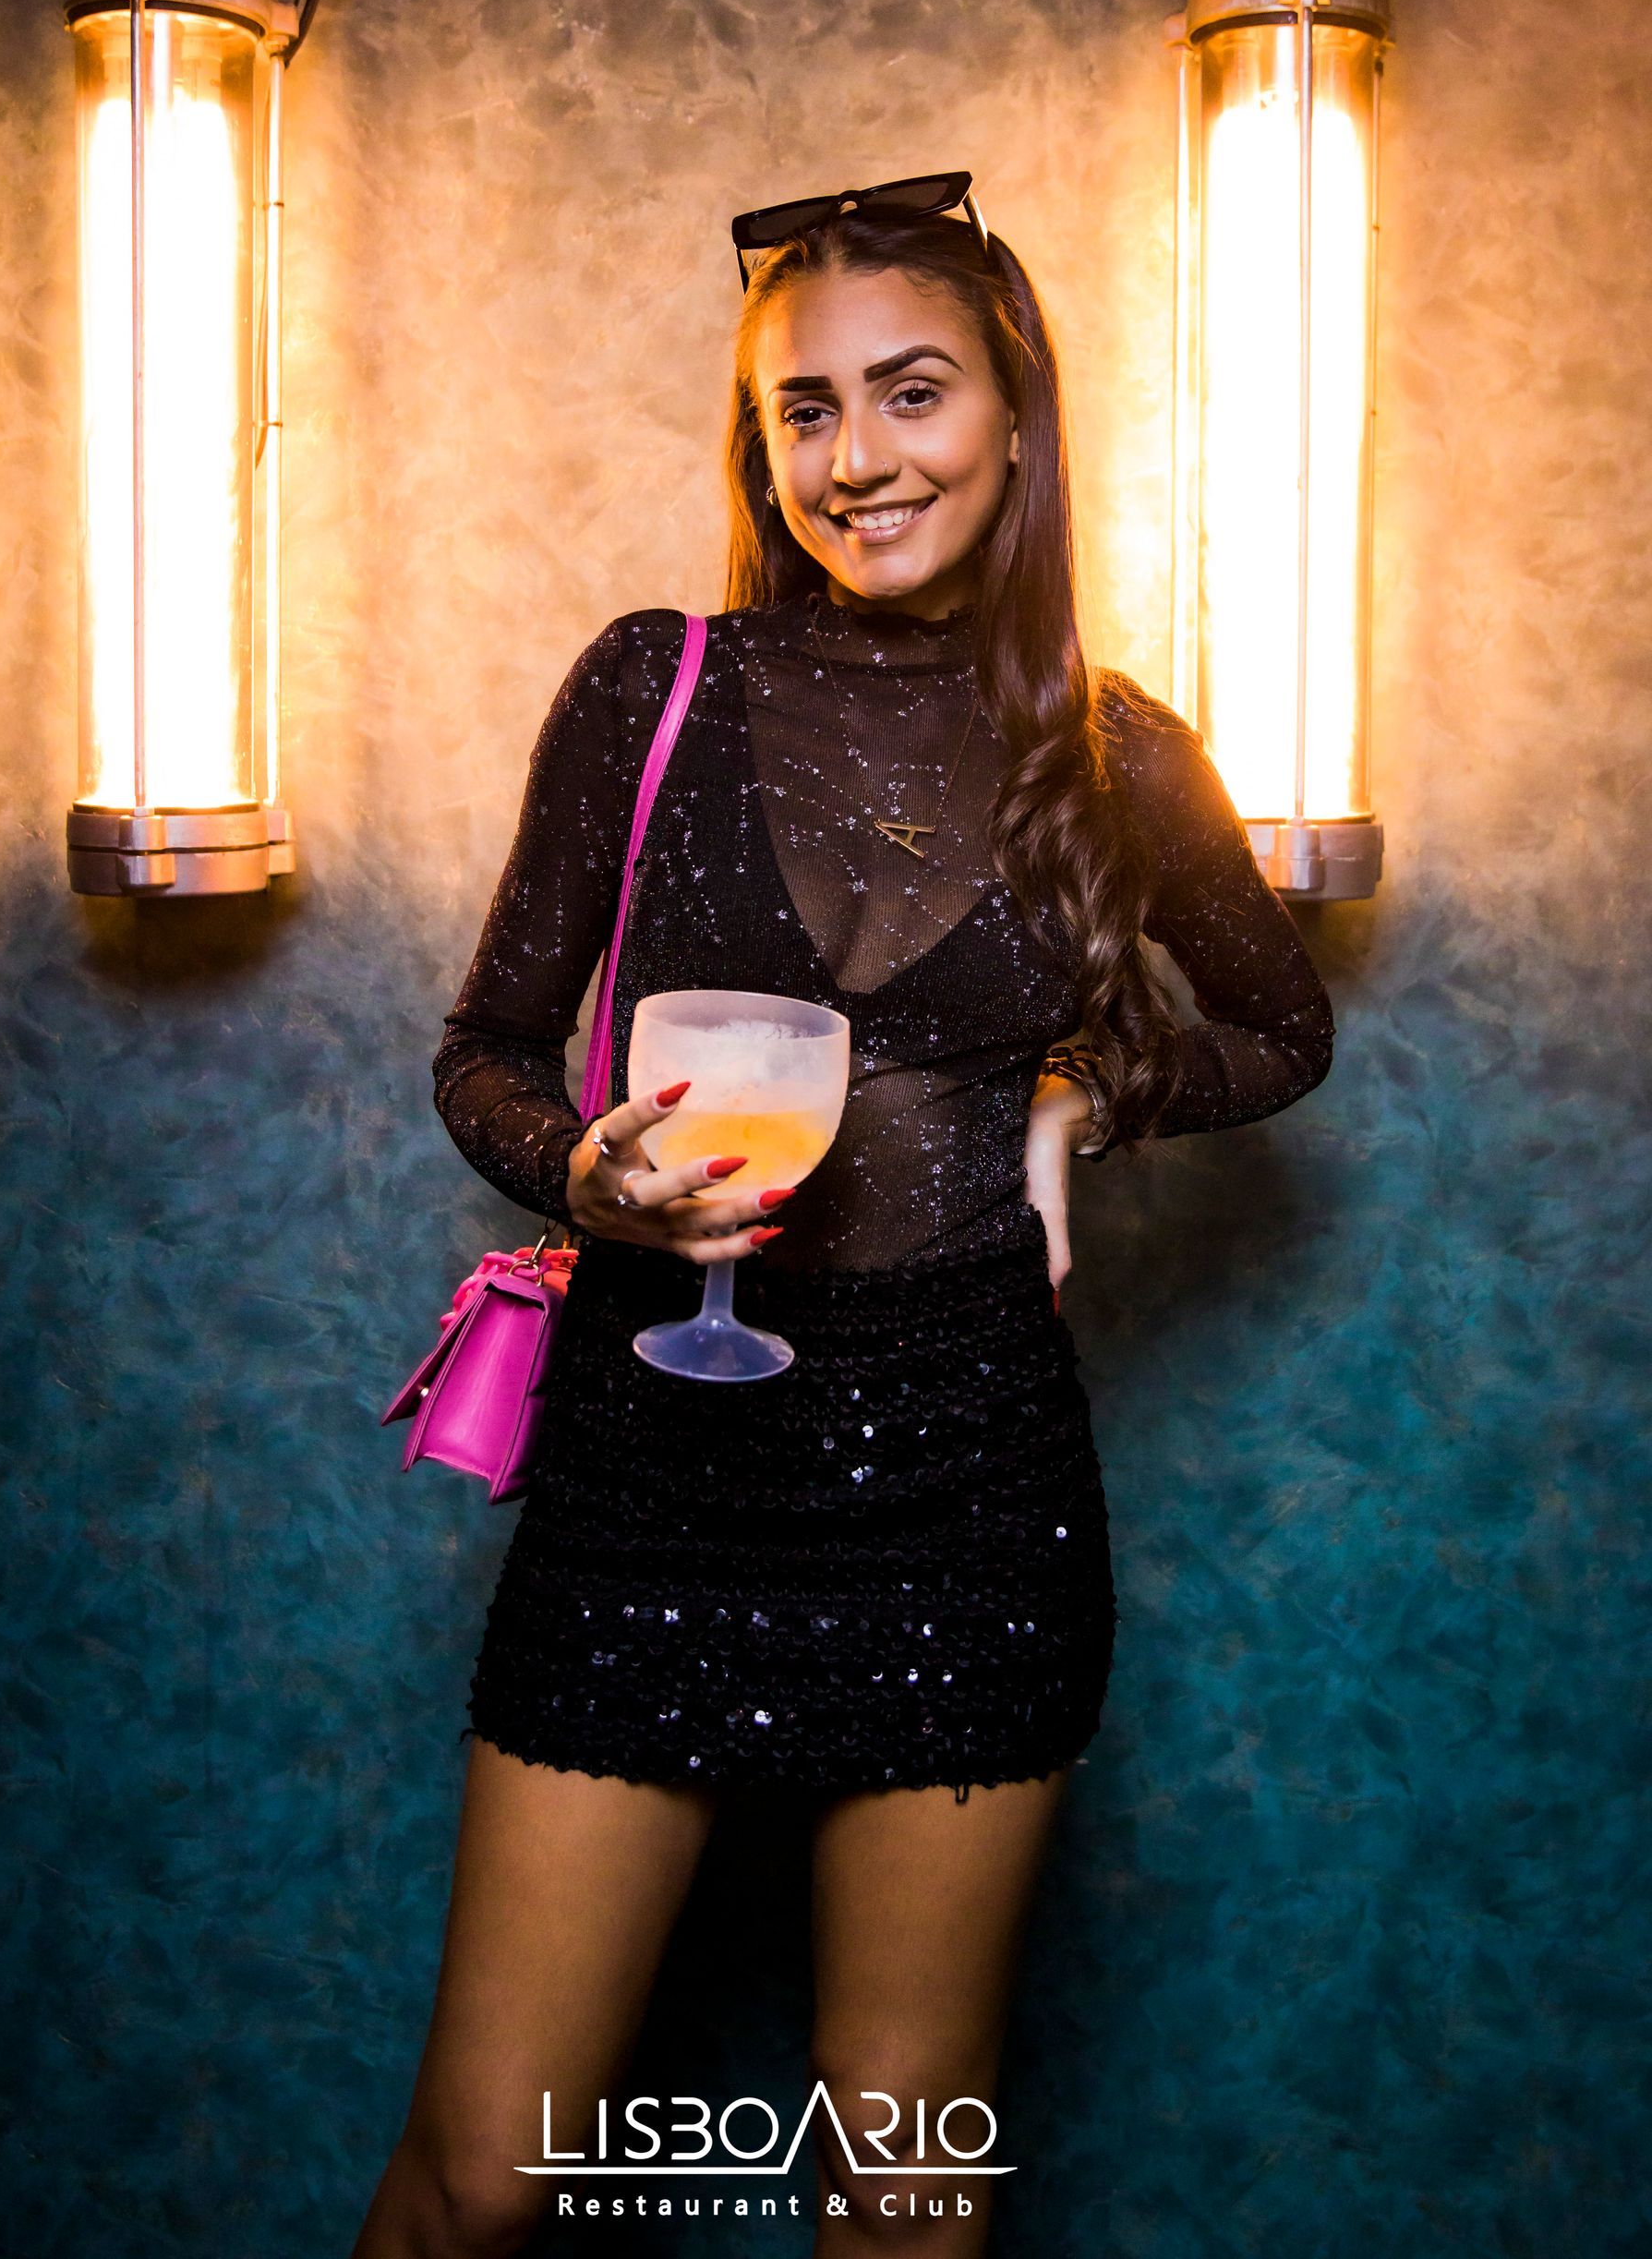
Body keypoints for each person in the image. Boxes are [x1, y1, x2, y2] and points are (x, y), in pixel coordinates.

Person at [354, 180, 1334, 2257]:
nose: (858, 458)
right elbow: (487, 1050)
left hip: (969, 1488)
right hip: (652, 1473)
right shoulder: (655, 687)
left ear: (1014, 418)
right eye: (805, 410)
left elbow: (1280, 1027)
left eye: (911, 393)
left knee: (904, 2184)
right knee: (483, 2181)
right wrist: (581, 1170)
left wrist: (1080, 1094)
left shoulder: (1113, 748)